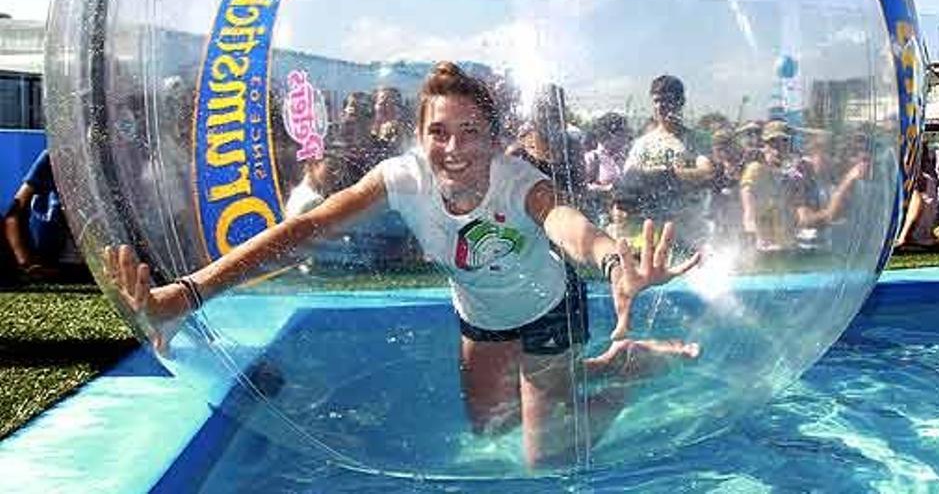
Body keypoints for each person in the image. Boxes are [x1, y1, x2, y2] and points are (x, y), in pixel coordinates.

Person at [104, 62, 701, 468]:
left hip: (549, 308)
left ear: (494, 138)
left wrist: (615, 264)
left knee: (543, 458)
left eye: (471, 132)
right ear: (419, 136)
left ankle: (622, 375)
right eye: (439, 132)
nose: (455, 148)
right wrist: (187, 293)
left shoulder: (520, 181)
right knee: (489, 430)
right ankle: (599, 366)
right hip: (483, 316)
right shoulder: (403, 179)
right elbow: (302, 229)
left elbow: (568, 225)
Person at [623, 75, 714, 251]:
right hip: (654, 234)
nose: (661, 106)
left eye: (667, 100)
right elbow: (629, 183)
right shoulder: (642, 144)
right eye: (656, 101)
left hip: (692, 232)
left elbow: (706, 172)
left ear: (680, 102)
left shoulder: (696, 140)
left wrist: (667, 175)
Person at [3, 150, 74, 280]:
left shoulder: (116, 156)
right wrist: (26, 263)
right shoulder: (56, 156)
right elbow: (14, 213)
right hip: (57, 263)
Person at [739, 120, 798, 251]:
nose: (778, 149)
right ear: (764, 146)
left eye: (784, 143)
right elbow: (748, 206)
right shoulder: (755, 170)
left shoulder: (790, 176)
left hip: (785, 247)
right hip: (763, 249)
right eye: (773, 143)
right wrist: (755, 235)